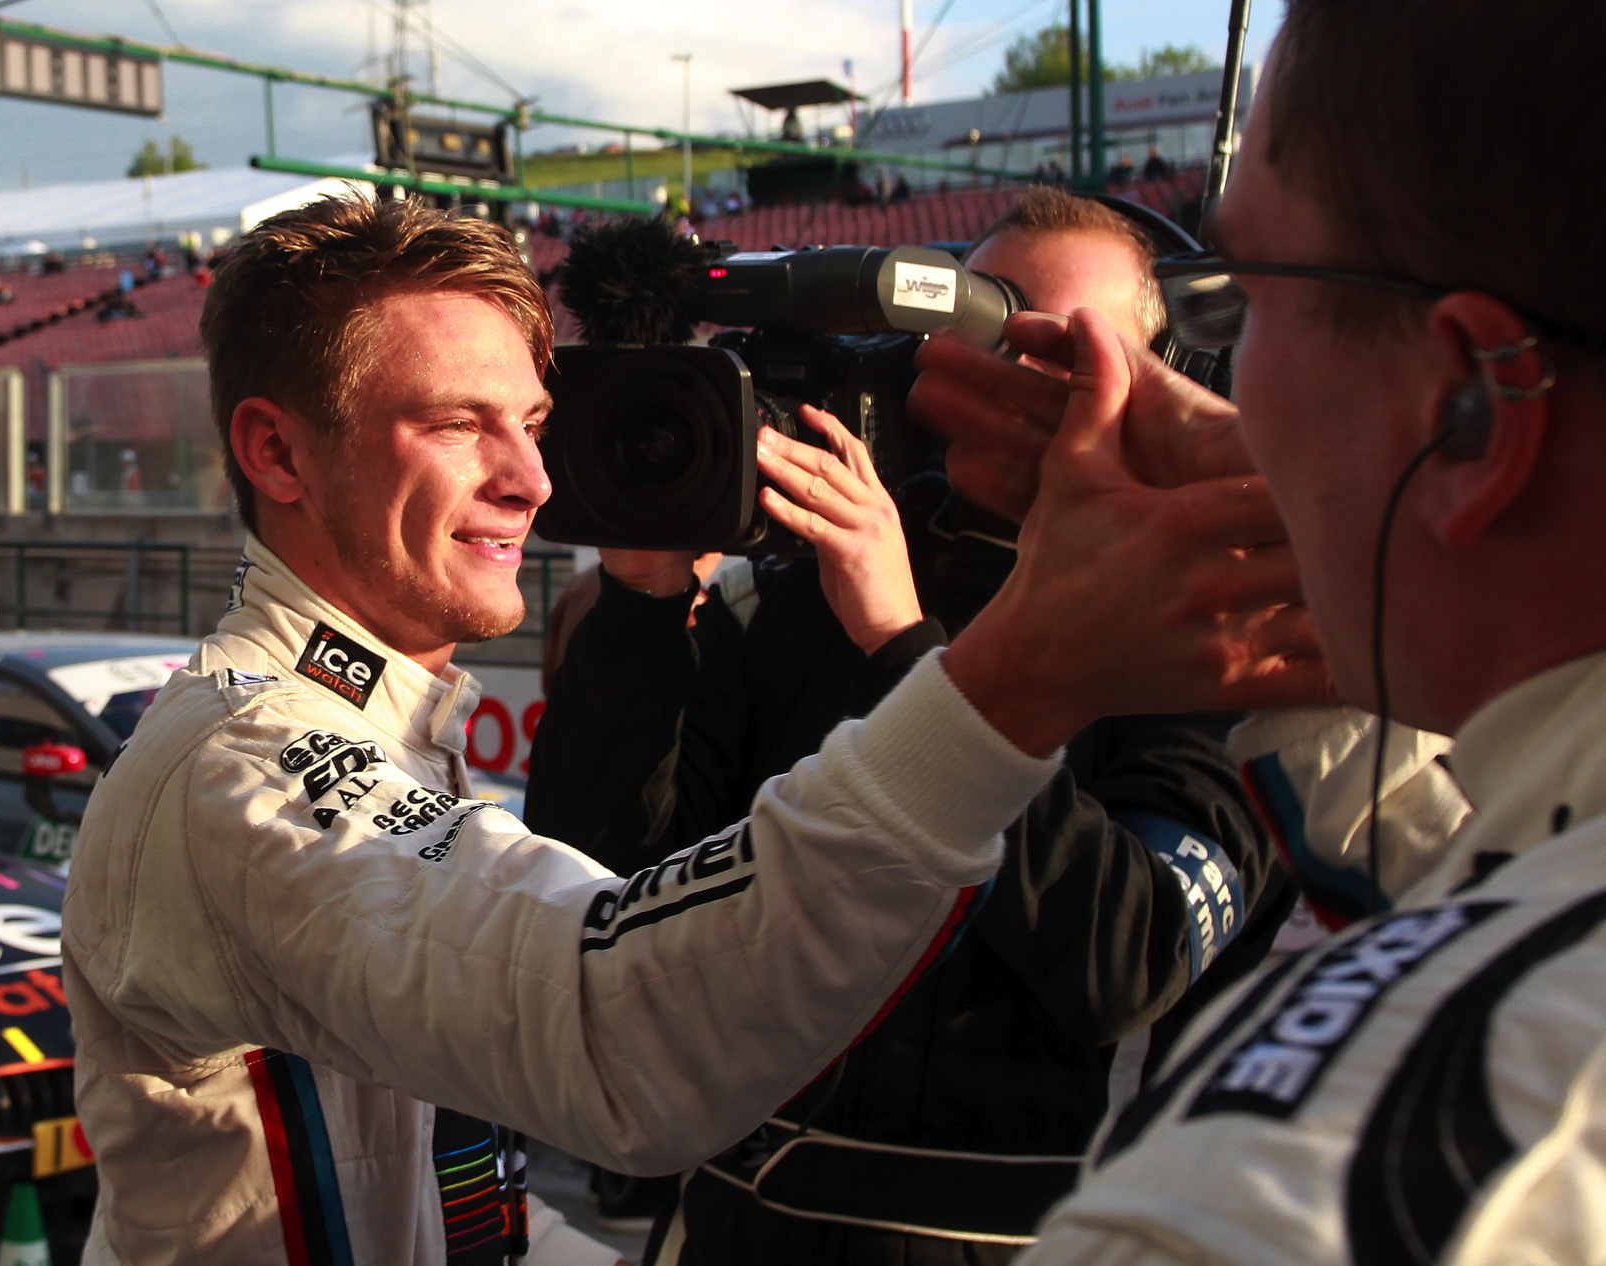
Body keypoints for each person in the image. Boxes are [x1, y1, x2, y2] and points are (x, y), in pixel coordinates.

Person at [59, 195, 1311, 1265]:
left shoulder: (375, 723)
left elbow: (453, 1188)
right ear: (277, 453)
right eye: (455, 423)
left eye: (533, 426)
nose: (534, 481)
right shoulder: (244, 764)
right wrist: (958, 682)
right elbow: (617, 1001)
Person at [905, 1, 1606, 1260]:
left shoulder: (1263, 1191)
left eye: (1241, 305)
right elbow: (1485, 861)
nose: (1219, 389)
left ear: (1470, 406)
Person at [524, 188, 1290, 1264]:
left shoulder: (1212, 643)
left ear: (1170, 383)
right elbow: (599, 890)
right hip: (734, 1227)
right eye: (980, 335)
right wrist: (643, 600)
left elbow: (1126, 961)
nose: (1006, 381)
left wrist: (904, 649)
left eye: (1059, 355)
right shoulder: (792, 595)